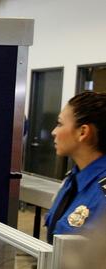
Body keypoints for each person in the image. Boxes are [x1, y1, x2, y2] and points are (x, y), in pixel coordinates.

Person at [45, 91, 106, 243]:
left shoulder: (102, 195)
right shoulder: (72, 180)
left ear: (83, 132)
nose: (54, 132)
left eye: (60, 124)